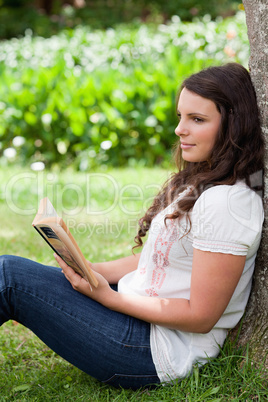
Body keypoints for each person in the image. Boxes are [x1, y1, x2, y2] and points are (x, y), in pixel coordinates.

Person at [0, 63, 264, 389]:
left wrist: (106, 298)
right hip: (136, 313)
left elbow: (202, 316)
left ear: (233, 126)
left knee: (9, 277)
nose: (180, 129)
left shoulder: (229, 202)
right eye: (180, 116)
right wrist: (90, 269)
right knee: (14, 273)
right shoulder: (201, 181)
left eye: (197, 119)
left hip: (153, 349)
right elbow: (155, 260)